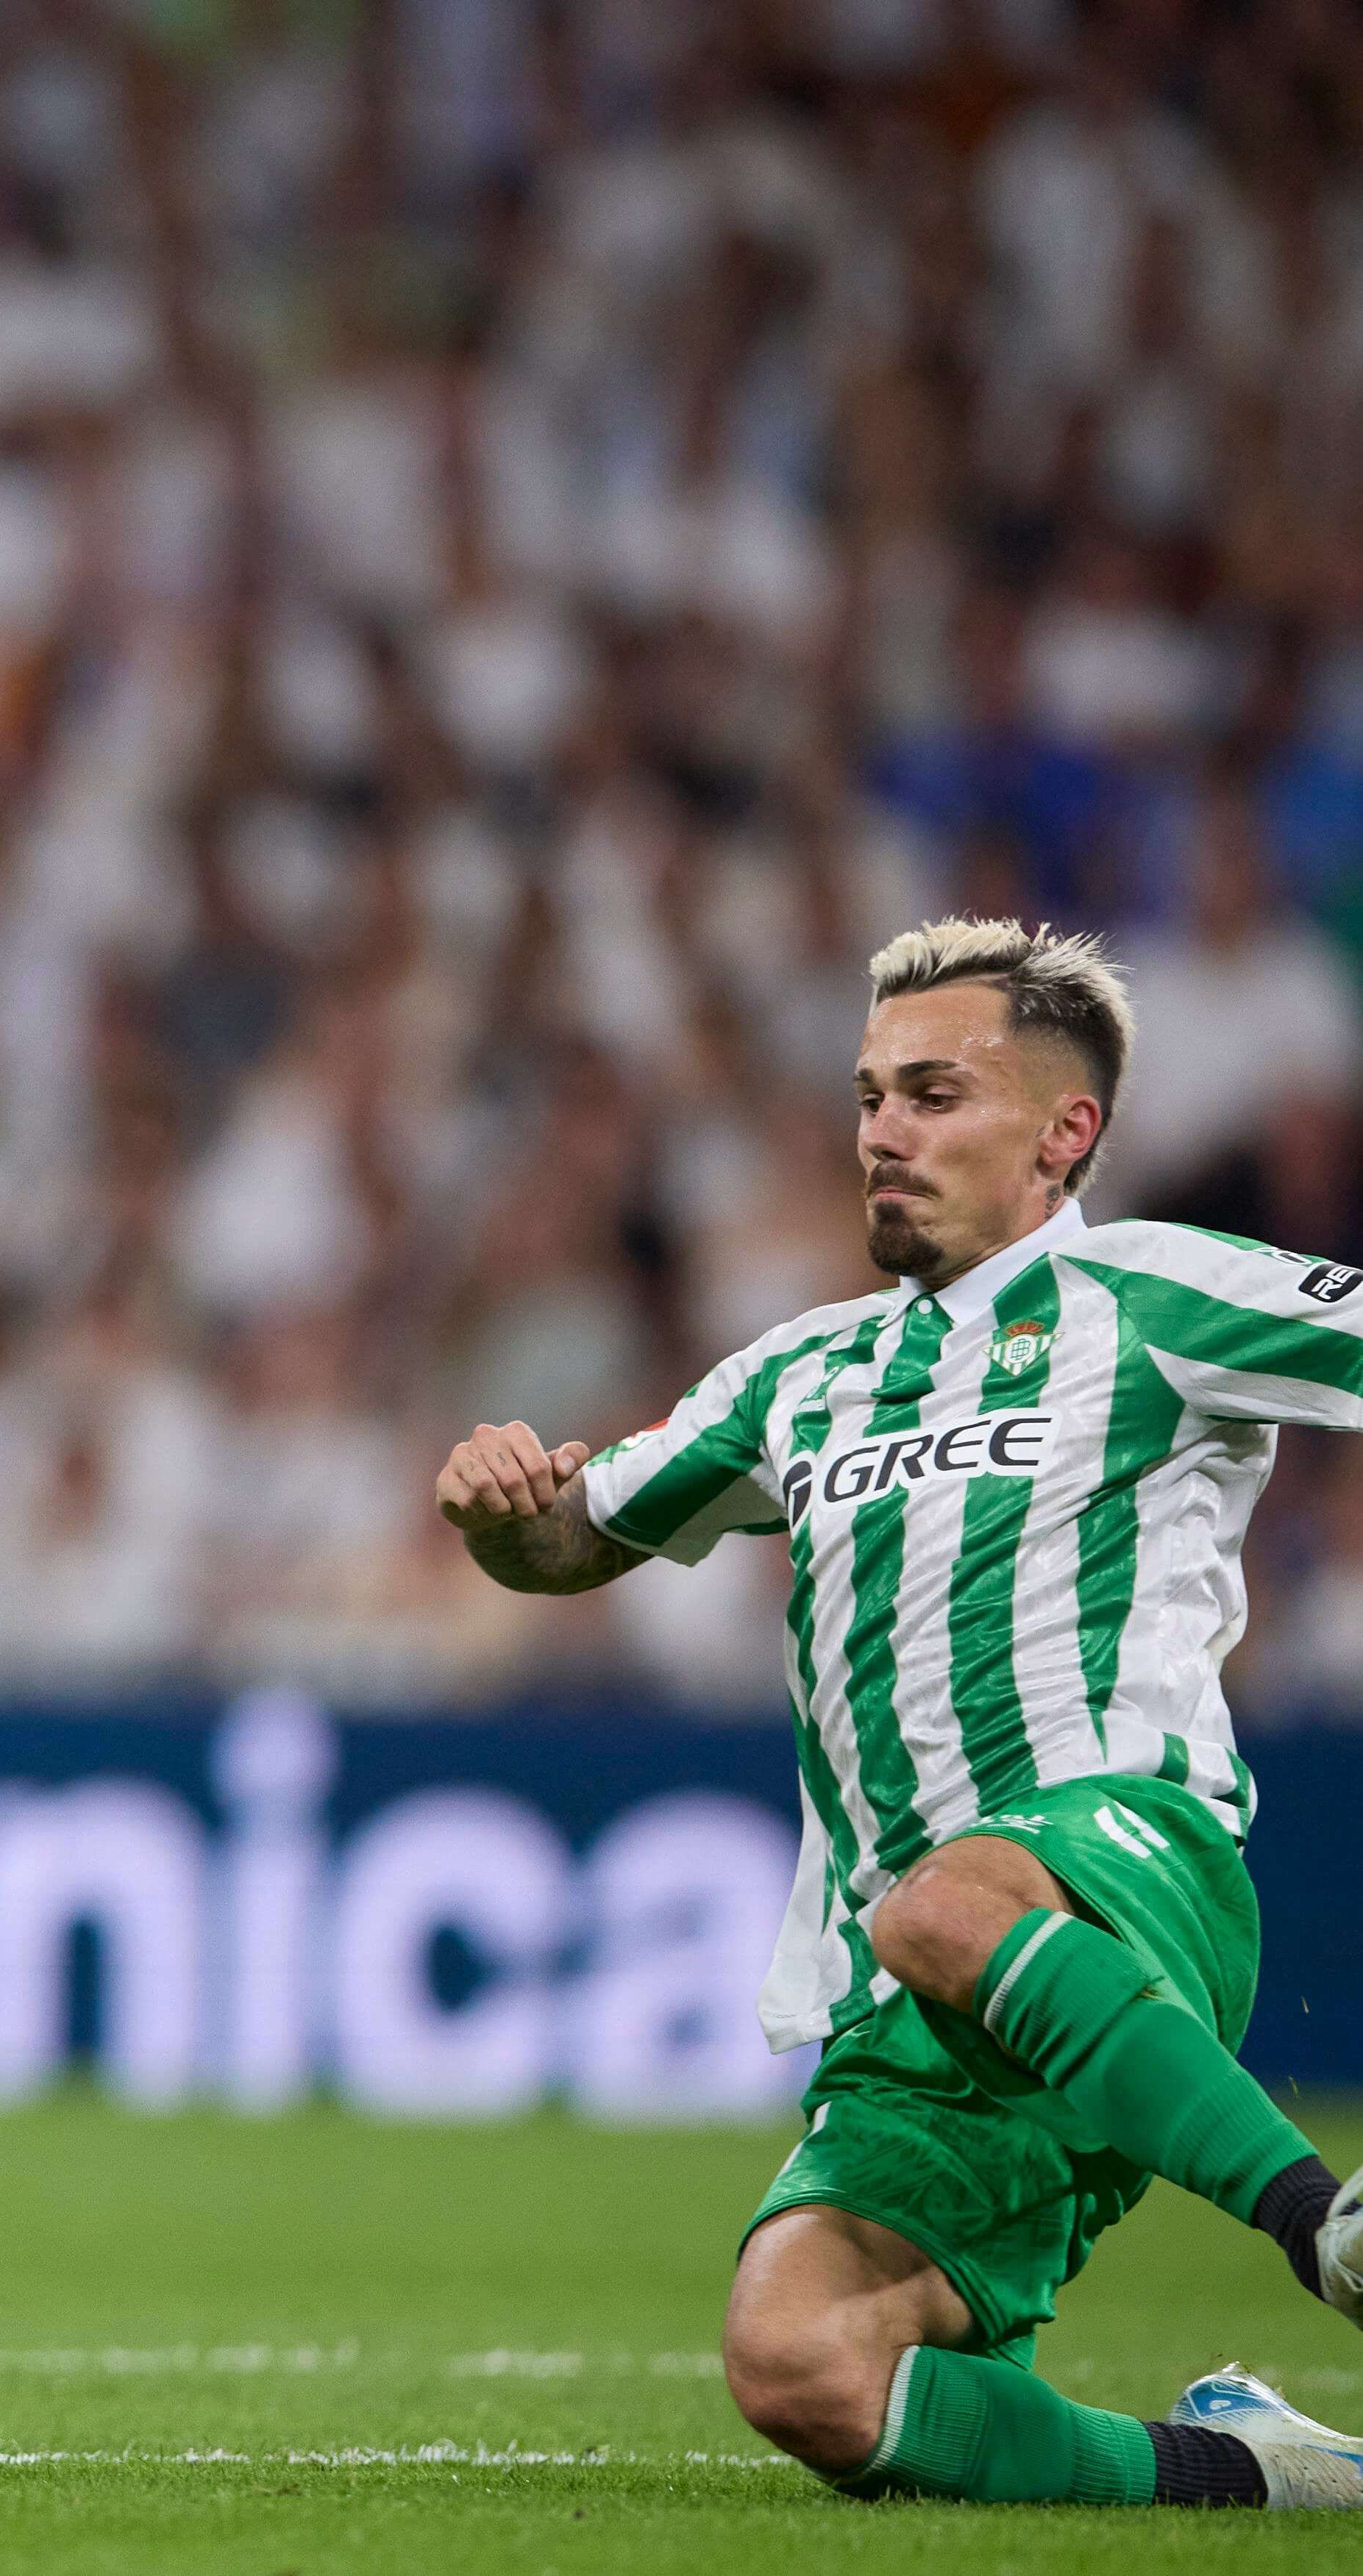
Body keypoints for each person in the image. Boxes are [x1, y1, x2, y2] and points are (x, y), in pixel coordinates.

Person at [437, 916, 1363, 2511]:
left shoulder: (1150, 1292)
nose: (881, 1133)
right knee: (802, 2371)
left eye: (933, 1095)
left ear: (1062, 1133)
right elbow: (571, 1541)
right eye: (869, 1096)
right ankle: (1258, 2477)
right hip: (919, 1975)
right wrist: (497, 1515)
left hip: (1121, 1862)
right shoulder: (795, 1374)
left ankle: (1321, 2229)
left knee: (944, 1898)